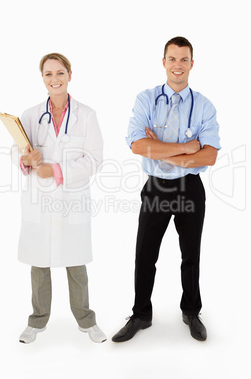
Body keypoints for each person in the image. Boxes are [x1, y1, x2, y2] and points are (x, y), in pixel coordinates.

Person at [112, 37, 220, 343]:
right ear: (164, 62)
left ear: (192, 64)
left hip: (190, 189)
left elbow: (209, 155)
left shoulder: (204, 105)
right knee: (145, 254)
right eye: (172, 59)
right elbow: (136, 144)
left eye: (184, 60)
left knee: (191, 255)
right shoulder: (146, 99)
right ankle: (141, 315)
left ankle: (191, 311)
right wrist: (187, 148)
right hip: (156, 187)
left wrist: (159, 150)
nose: (178, 65)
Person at [11, 53, 106, 344]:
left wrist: (56, 169)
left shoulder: (86, 115)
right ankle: (37, 322)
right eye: (49, 74)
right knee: (39, 263)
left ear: (70, 75)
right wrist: (28, 158)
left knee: (76, 263)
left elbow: (94, 160)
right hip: (39, 201)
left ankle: (86, 321)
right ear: (42, 78)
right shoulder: (28, 115)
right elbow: (17, 152)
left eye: (60, 73)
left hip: (71, 200)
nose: (55, 79)